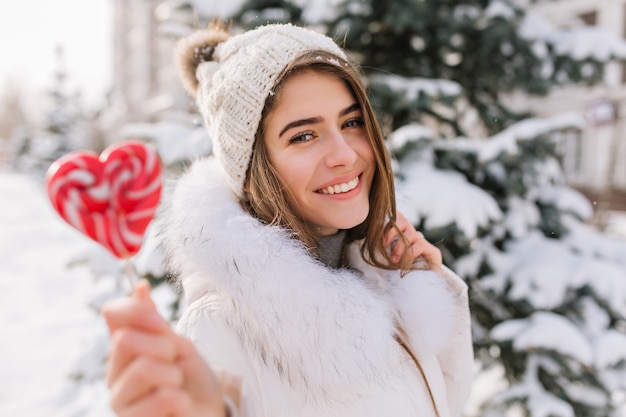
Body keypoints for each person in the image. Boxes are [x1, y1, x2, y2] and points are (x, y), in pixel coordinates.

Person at [103, 22, 473, 417]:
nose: (345, 154)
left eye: (351, 123)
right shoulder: (220, 330)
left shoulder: (381, 274)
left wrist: (428, 287)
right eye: (303, 136)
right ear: (249, 172)